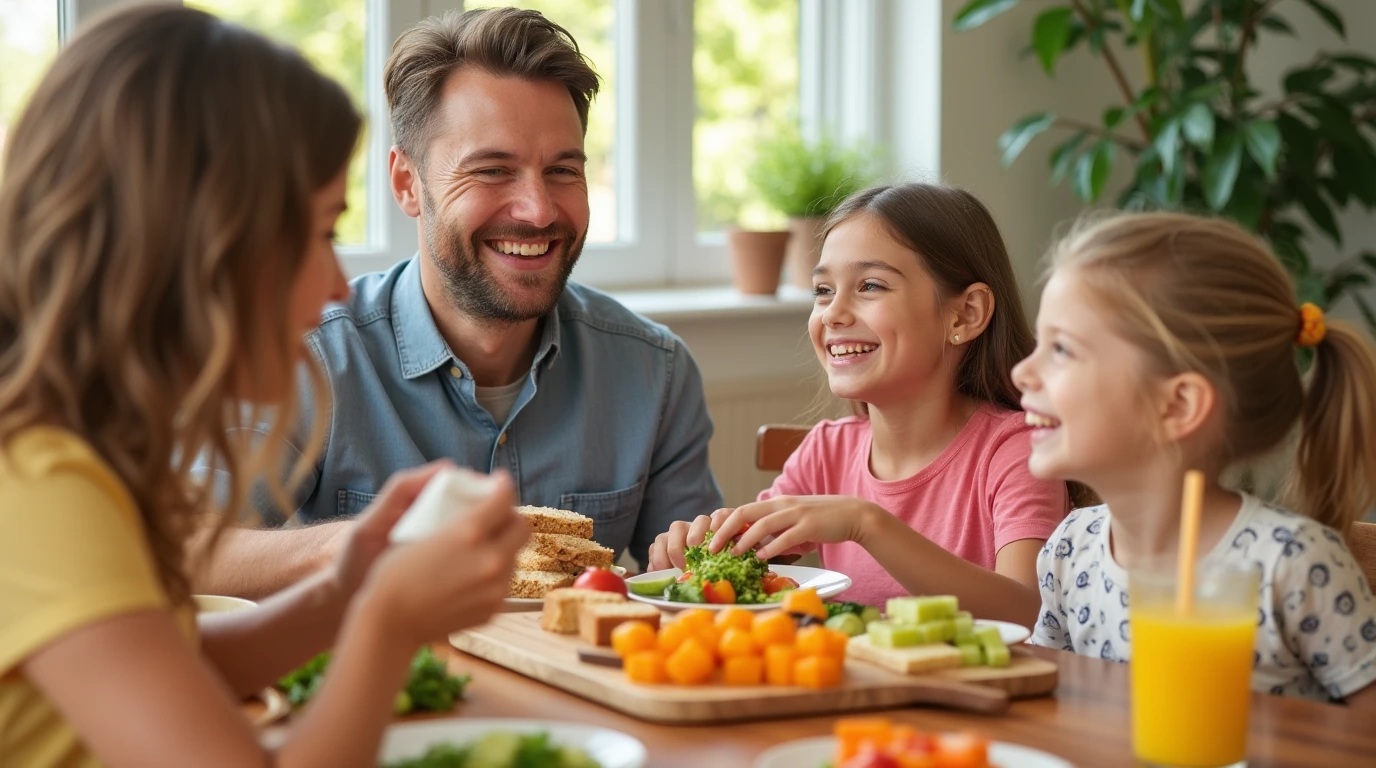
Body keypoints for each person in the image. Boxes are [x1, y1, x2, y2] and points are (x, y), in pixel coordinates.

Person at [0, 6, 531, 765]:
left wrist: (345, 589)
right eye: (320, 234)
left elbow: (174, 666)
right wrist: (387, 624)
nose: (339, 286)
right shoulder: (38, 485)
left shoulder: (72, 450)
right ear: (203, 245)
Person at [197, 7, 722, 598]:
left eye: (562, 170)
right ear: (407, 183)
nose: (538, 210)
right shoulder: (306, 355)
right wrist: (362, 545)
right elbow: (187, 551)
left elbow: (699, 589)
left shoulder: (656, 370)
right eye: (493, 170)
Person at [650, 184, 1069, 623]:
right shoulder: (826, 452)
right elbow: (746, 559)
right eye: (823, 290)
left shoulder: (1018, 450)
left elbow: (1027, 610)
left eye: (870, 285)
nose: (833, 313)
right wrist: (698, 550)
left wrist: (867, 524)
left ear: (965, 314)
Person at [1016, 211, 1376, 705]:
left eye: (1061, 349)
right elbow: (1045, 709)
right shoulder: (1068, 551)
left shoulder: (1291, 564)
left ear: (1178, 406)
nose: (1021, 371)